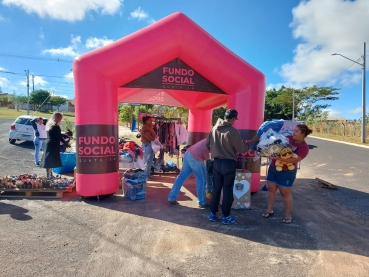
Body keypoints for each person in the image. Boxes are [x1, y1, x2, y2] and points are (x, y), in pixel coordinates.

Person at [206, 109, 258, 225]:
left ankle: (212, 214)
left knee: (216, 189)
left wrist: (216, 151)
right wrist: (252, 142)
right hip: (229, 163)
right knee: (228, 190)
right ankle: (226, 216)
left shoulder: (213, 129)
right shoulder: (233, 131)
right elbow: (242, 149)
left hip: (217, 163)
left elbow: (207, 145)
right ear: (233, 119)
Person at [261, 124, 312, 224]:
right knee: (271, 190)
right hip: (273, 168)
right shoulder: (288, 139)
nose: (294, 133)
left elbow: (295, 159)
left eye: (297, 131)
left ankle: (288, 215)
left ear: (303, 134)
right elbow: (276, 147)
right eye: (294, 130)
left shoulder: (304, 147)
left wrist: (278, 158)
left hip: (287, 172)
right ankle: (269, 210)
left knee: (285, 193)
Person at [167, 139, 210, 207]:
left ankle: (171, 197)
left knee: (181, 177)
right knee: (201, 179)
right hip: (196, 157)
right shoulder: (218, 141)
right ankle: (202, 201)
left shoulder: (212, 137)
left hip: (188, 153)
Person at [40, 112, 69, 178]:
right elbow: (58, 136)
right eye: (60, 118)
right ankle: (49, 175)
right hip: (53, 144)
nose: (61, 119)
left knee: (49, 159)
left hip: (50, 143)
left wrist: (64, 135)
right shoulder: (55, 126)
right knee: (51, 159)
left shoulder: (50, 125)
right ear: (57, 118)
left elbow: (55, 133)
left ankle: (49, 174)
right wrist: (65, 143)